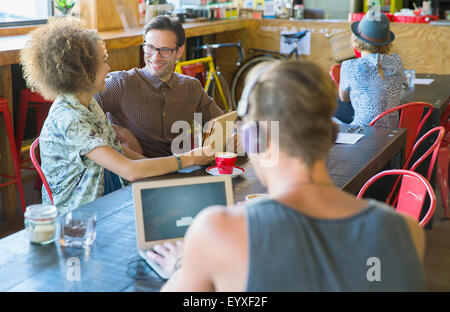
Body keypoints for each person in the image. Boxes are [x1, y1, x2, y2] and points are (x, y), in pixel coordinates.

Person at [149, 60, 425, 291]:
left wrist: (181, 266)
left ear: (254, 139)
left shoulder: (217, 231)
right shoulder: (405, 230)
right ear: (330, 134)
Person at [19, 17, 213, 212]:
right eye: (103, 62)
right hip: (78, 220)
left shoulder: (88, 104)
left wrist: (167, 172)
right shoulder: (70, 119)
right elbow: (129, 171)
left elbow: (117, 151)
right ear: (82, 72)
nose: (109, 68)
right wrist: (189, 158)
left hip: (107, 201)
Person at [94, 15, 225, 158]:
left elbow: (221, 123)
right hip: (140, 175)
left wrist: (233, 136)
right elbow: (76, 113)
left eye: (165, 50)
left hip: (183, 173)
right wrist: (118, 132)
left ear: (179, 51)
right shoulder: (121, 84)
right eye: (150, 48)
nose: (155, 57)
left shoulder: (191, 87)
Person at [337, 9, 408, 127]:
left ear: (356, 40)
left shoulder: (350, 66)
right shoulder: (397, 63)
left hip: (362, 132)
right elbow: (404, 85)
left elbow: (344, 98)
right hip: (392, 134)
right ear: (386, 42)